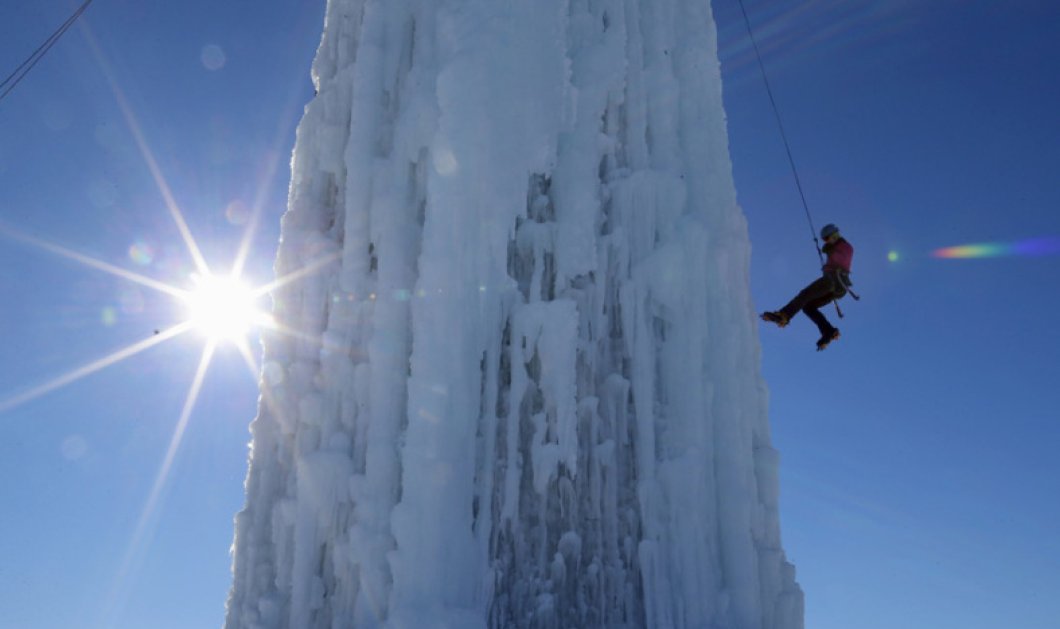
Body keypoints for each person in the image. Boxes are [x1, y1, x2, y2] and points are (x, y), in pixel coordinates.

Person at [761, 223, 853, 351]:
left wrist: (830, 251)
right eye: (825, 240)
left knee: (805, 294)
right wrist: (829, 252)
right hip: (836, 286)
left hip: (834, 281)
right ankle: (828, 332)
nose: (827, 241)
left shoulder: (845, 246)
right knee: (808, 307)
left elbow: (843, 258)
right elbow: (835, 258)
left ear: (835, 235)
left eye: (828, 238)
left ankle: (784, 315)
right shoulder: (836, 248)